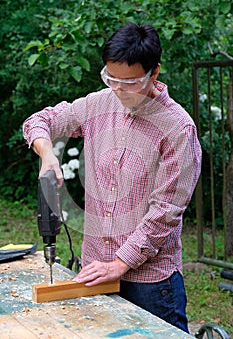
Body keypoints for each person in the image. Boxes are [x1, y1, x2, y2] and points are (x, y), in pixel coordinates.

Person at [23, 22, 202, 333]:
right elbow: (40, 121)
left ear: (154, 73)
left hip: (149, 283)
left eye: (130, 83)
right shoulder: (99, 104)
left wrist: (120, 264)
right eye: (111, 79)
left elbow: (165, 213)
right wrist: (48, 154)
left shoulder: (178, 129)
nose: (119, 90)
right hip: (94, 268)